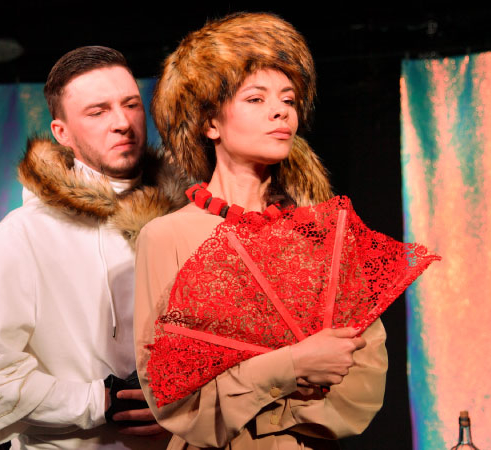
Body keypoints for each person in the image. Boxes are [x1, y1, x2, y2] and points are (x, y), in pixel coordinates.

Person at [134, 12, 388, 449]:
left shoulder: (320, 236)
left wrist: (253, 396)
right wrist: (292, 367)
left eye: (289, 99)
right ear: (210, 123)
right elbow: (170, 392)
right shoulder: (166, 237)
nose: (280, 111)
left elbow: (365, 383)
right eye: (255, 98)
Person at [0, 46, 184, 449]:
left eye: (130, 105)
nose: (122, 123)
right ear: (61, 133)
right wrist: (101, 400)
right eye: (98, 112)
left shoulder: (188, 218)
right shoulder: (23, 235)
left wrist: (188, 403)